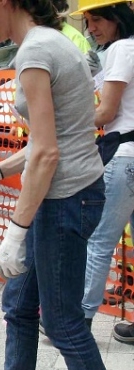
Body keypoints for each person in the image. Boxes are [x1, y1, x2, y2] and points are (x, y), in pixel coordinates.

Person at [0, 0, 109, 370]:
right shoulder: (45, 43)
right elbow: (47, 140)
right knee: (19, 303)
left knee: (63, 325)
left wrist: (16, 229)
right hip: (68, 195)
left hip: (65, 200)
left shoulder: (36, 51)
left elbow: (47, 152)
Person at [69, 0, 134, 344]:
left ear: (116, 17)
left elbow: (106, 112)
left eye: (96, 20)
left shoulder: (122, 49)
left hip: (125, 154)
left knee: (99, 241)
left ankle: (79, 322)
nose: (90, 28)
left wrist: (66, 125)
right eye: (87, 21)